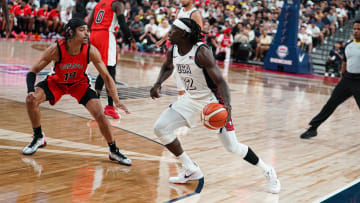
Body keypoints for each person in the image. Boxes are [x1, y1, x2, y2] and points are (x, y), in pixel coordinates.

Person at [150, 18, 281, 194]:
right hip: (189, 100)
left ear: (184, 34)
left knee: (232, 147)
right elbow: (167, 67)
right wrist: (158, 83)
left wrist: (227, 107)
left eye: (173, 30)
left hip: (212, 102)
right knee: (160, 128)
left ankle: (268, 170)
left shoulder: (201, 52)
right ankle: (190, 168)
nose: (169, 33)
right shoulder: (172, 50)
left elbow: (221, 82)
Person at [22, 18, 132, 166]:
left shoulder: (90, 50)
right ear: (70, 32)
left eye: (87, 30)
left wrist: (117, 101)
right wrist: (30, 90)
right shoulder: (56, 49)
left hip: (79, 83)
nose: (87, 33)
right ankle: (38, 137)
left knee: (99, 113)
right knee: (31, 100)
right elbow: (32, 71)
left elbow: (106, 76)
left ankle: (113, 150)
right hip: (57, 82)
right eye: (82, 30)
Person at [300, 19, 360, 139]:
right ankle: (313, 128)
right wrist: (342, 78)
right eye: (354, 29)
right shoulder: (348, 45)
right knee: (331, 104)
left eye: (359, 29)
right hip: (347, 79)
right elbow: (345, 62)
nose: (356, 31)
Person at [88, 0, 135, 119]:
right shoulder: (117, 4)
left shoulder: (98, 4)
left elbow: (89, 23)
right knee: (110, 71)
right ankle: (109, 107)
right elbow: (123, 24)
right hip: (106, 36)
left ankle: (96, 104)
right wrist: (131, 39)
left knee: (102, 70)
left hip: (93, 35)